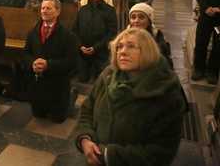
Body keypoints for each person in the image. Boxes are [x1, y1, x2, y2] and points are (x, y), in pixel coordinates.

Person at [74, 28, 185, 165]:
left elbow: (159, 154)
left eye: (131, 46)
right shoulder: (107, 76)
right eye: (119, 47)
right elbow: (87, 109)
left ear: (148, 51)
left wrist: (108, 155)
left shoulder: (167, 95)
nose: (123, 51)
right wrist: (85, 138)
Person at [21, 0, 78, 123]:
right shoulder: (33, 32)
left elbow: (72, 62)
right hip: (38, 86)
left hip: (57, 86)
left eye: (48, 8)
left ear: (58, 11)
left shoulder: (68, 36)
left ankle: (72, 96)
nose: (44, 11)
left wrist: (48, 65)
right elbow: (25, 54)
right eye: (42, 8)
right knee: (38, 115)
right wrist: (32, 63)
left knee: (58, 119)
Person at [72, 0, 118, 83]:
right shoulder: (83, 10)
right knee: (82, 80)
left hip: (101, 52)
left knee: (101, 82)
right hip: (83, 52)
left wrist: (96, 48)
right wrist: (80, 46)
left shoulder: (109, 10)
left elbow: (112, 33)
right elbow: (74, 30)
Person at [128, 3, 173, 69]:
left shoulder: (160, 43)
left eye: (141, 17)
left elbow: (168, 70)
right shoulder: (122, 38)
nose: (136, 21)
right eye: (133, 17)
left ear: (149, 21)